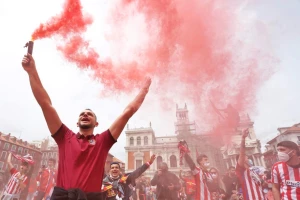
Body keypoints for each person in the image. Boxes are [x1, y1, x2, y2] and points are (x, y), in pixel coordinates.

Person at [21, 53, 151, 200]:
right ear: (77, 122)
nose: (85, 115)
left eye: (89, 114)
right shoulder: (65, 136)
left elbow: (127, 113)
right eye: (82, 114)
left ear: (96, 123)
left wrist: (144, 91)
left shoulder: (103, 141)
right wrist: (32, 72)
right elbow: (45, 104)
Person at [236, 129, 265, 200]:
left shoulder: (253, 171)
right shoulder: (241, 171)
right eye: (246, 156)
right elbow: (242, 153)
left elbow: (259, 185)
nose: (248, 157)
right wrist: (243, 139)